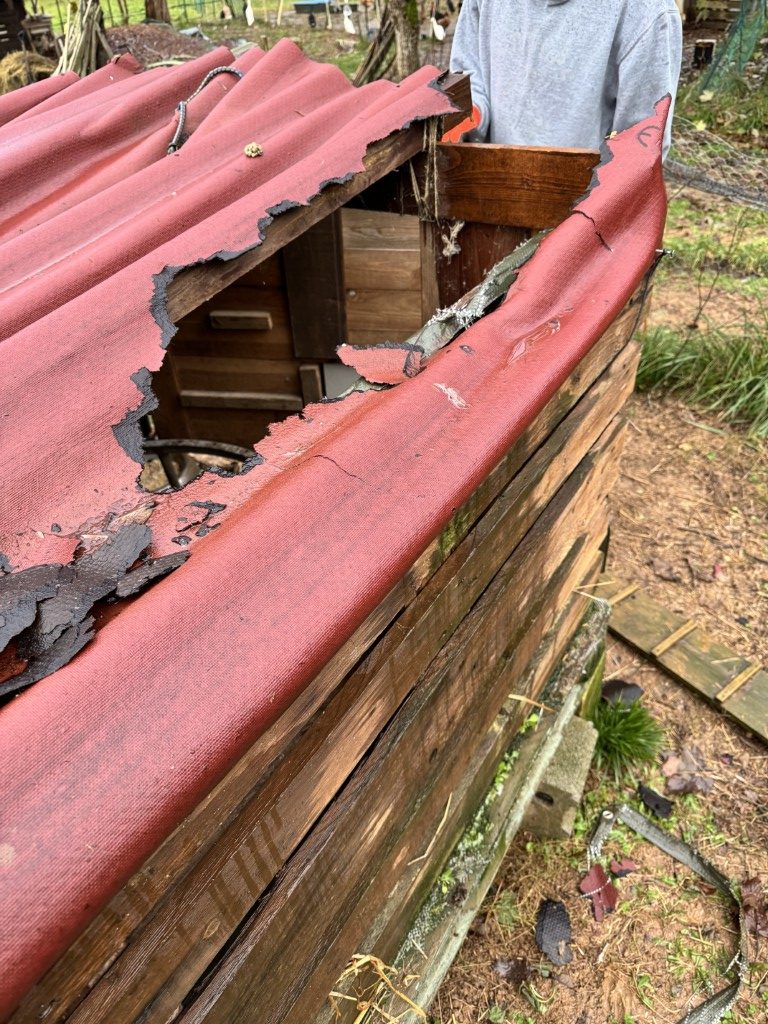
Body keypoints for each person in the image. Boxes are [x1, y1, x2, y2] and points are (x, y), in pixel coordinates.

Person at [449, 0, 683, 158]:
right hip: (490, 191)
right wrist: (469, 114)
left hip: (585, 204)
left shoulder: (646, 11)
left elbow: (639, 147)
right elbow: (469, 74)